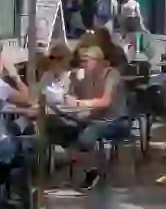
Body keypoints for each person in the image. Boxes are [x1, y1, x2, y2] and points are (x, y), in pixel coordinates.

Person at [50, 46, 131, 190]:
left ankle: (93, 171)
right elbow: (79, 98)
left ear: (98, 61)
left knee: (87, 135)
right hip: (96, 119)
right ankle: (90, 169)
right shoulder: (87, 77)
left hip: (117, 121)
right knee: (66, 129)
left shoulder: (112, 75)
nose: (83, 65)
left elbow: (105, 101)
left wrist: (80, 103)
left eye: (86, 61)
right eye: (81, 62)